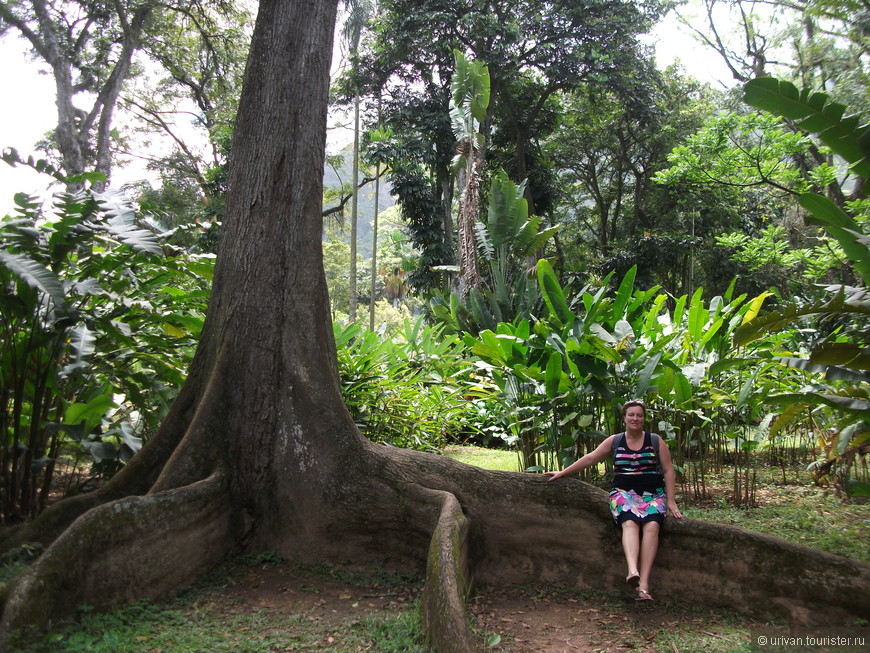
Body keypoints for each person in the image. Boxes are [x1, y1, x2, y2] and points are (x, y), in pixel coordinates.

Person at [545, 400, 683, 601]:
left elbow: (668, 469)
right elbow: (591, 458)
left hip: (653, 495)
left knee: (652, 526)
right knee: (629, 521)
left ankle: (643, 586)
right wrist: (563, 472)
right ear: (625, 418)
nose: (635, 418)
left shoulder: (655, 440)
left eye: (639, 415)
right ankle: (632, 571)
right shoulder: (615, 441)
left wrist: (670, 500)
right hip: (623, 494)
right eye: (631, 415)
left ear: (644, 419)